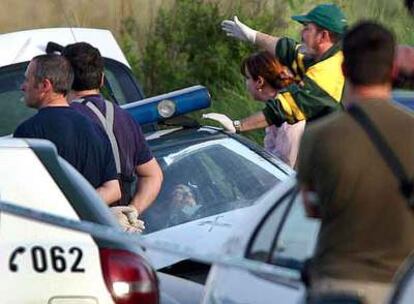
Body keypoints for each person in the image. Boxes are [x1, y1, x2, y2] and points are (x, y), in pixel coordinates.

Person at [297, 21, 414, 303]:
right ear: (393, 71)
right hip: (404, 286)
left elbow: (311, 208)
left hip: (337, 284)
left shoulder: (317, 136)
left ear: (344, 69)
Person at [62, 42, 163, 230]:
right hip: (127, 232)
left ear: (64, 80)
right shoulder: (126, 118)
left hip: (87, 229)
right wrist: (132, 211)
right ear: (101, 79)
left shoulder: (63, 121)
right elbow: (153, 175)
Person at [14, 54, 121, 206]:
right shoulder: (94, 128)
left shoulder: (28, 133)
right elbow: (113, 190)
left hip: (54, 227)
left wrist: (66, 215)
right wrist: (83, 212)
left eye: (27, 80)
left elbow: (21, 193)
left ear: (45, 85)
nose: (22, 86)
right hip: (96, 227)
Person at [219, 3, 347, 130]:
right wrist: (252, 35)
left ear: (323, 36)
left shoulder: (328, 73)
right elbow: (288, 49)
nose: (302, 32)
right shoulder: (325, 56)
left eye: (307, 28)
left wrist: (238, 126)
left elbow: (285, 108)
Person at [204, 51, 305, 167]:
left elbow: (283, 165)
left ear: (259, 82)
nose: (245, 83)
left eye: (247, 78)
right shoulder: (279, 107)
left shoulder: (288, 115)